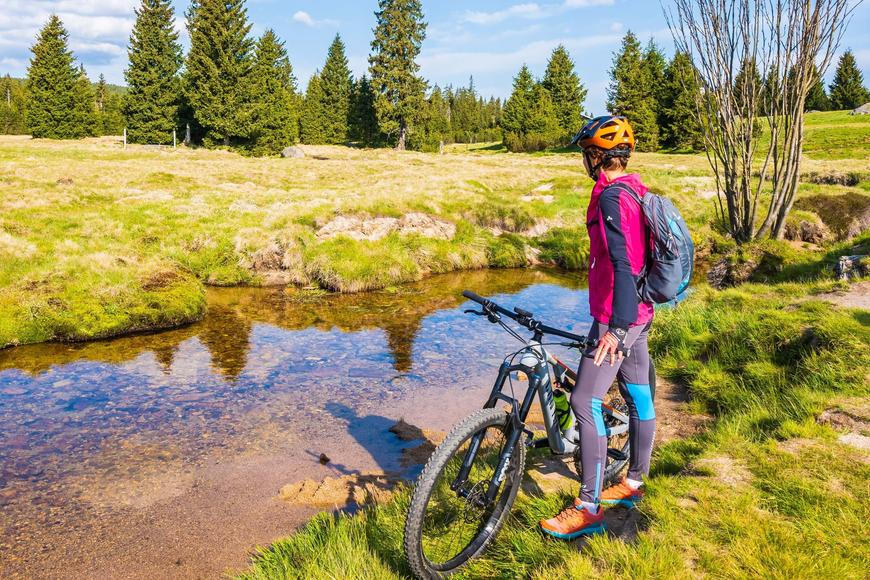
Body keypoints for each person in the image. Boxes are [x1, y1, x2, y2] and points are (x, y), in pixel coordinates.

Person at [540, 115, 656, 539]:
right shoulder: (637, 190)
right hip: (641, 313)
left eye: (586, 153)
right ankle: (634, 482)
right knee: (639, 394)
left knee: (585, 401)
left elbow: (624, 264)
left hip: (619, 317)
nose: (584, 161)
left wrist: (615, 329)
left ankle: (587, 508)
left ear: (598, 156)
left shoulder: (610, 198)